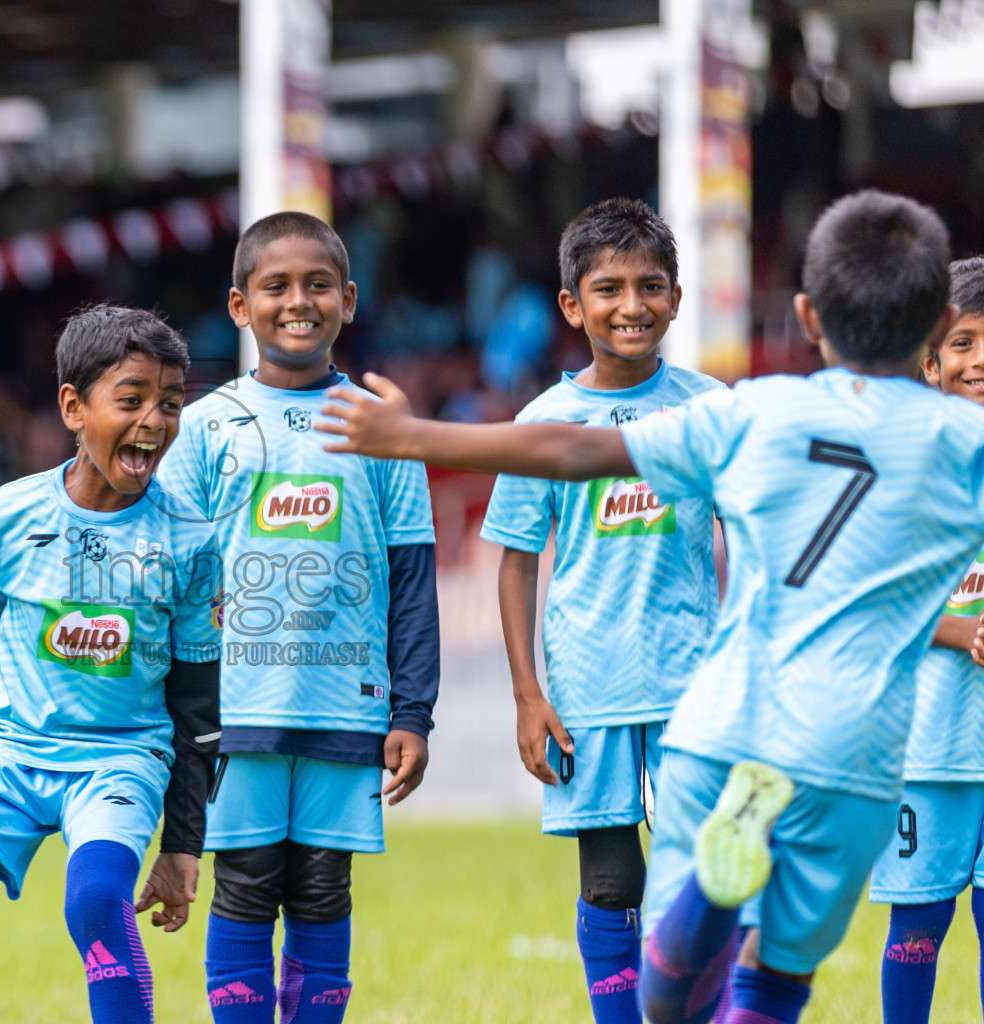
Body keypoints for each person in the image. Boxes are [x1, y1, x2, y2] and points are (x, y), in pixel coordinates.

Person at [315, 189, 984, 1024]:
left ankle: (708, 882)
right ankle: (722, 888)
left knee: (669, 996)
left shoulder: (750, 411)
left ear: (809, 316)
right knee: (775, 983)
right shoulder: (964, 443)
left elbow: (577, 446)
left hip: (724, 726)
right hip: (863, 749)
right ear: (935, 324)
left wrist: (419, 438)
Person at [0, 305, 222, 1024]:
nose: (155, 422)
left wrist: (183, 845)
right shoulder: (8, 513)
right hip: (7, 754)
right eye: (131, 400)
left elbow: (199, 704)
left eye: (171, 404)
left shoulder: (192, 541)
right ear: (74, 406)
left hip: (121, 760)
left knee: (98, 901)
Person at [157, 211, 440, 1023]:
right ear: (240, 306)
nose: (298, 301)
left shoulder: (381, 426)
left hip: (344, 706)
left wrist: (412, 710)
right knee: (244, 887)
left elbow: (412, 577)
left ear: (348, 301)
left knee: (323, 890)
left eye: (318, 285)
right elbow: (172, 576)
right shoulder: (205, 425)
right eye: (275, 286)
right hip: (234, 711)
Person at [478, 198, 723, 1024]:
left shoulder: (711, 408)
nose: (632, 307)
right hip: (590, 690)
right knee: (612, 882)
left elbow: (758, 535)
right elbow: (515, 563)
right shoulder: (542, 423)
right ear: (572, 306)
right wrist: (526, 693)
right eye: (608, 289)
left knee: (706, 877)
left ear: (678, 298)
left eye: (650, 286)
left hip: (698, 689)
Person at [867, 256, 984, 1023]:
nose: (980, 360)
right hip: (929, 743)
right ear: (931, 362)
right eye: (964, 342)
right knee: (918, 923)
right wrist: (958, 629)